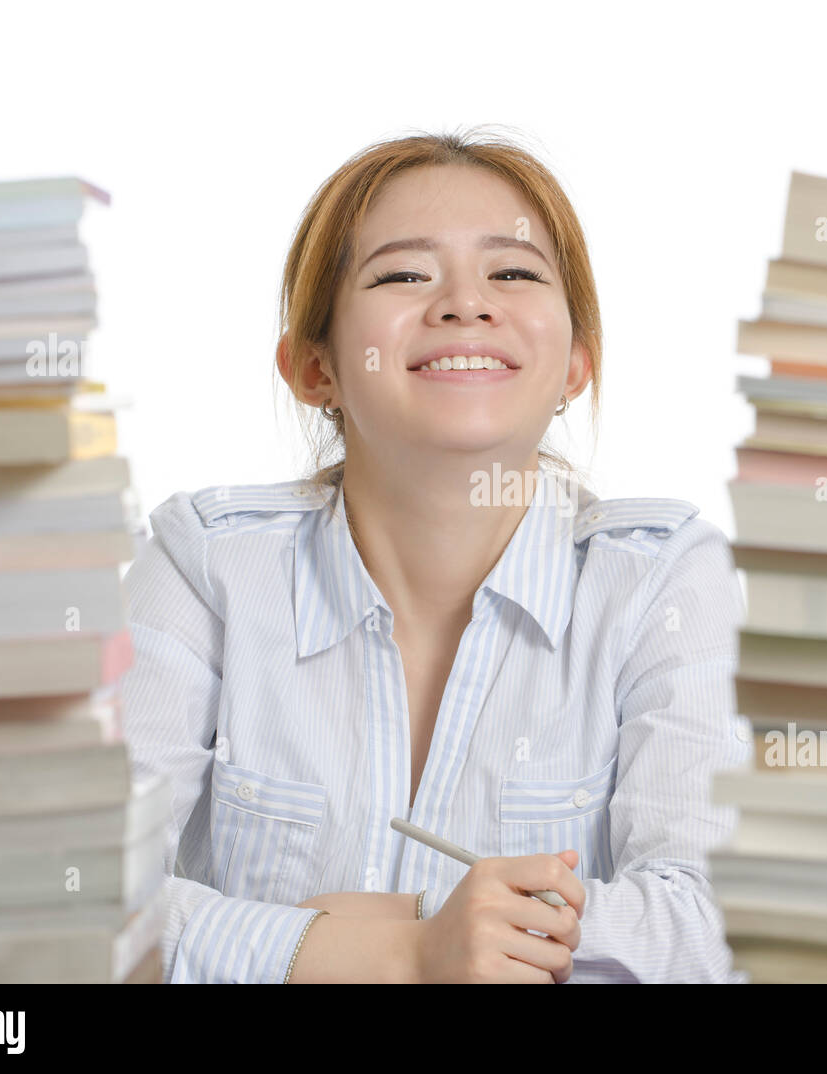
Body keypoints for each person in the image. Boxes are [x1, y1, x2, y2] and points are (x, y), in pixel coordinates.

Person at [119, 126, 750, 983]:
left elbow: (711, 929)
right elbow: (77, 900)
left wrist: (420, 916)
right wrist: (407, 951)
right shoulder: (204, 565)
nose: (465, 303)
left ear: (574, 367)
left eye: (515, 272)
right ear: (315, 369)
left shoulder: (664, 577)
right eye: (404, 274)